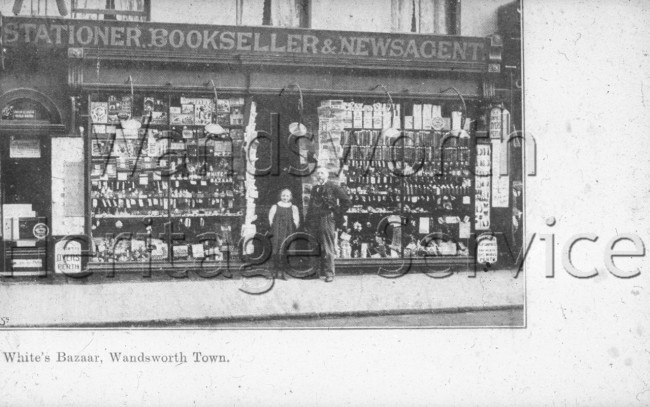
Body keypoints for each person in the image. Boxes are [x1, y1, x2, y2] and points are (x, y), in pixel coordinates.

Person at [306, 166, 351, 282]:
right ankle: (314, 272)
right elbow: (311, 206)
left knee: (327, 246)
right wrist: (308, 220)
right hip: (314, 219)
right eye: (318, 173)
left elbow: (346, 201)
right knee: (314, 245)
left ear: (326, 175)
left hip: (326, 218)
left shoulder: (333, 187)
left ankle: (329, 273)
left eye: (321, 173)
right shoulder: (315, 188)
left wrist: (336, 213)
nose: (319, 175)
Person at [268, 189, 300, 279]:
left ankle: (283, 273)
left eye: (287, 196)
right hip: (277, 231)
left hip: (288, 231)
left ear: (290, 197)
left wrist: (292, 228)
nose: (285, 197)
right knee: (276, 250)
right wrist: (274, 228)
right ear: (280, 196)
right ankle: (273, 272)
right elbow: (270, 219)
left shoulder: (293, 207)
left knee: (285, 251)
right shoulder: (275, 206)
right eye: (283, 195)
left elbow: (296, 220)